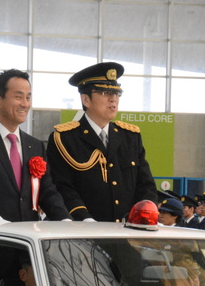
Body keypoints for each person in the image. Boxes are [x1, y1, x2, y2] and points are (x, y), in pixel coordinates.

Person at [0, 69, 70, 256]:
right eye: (18, 97)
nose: (25, 104)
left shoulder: (35, 145)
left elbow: (47, 191)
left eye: (28, 97)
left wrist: (65, 220)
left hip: (27, 249)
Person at [47, 62, 157, 221]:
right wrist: (84, 218)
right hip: (83, 231)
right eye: (105, 93)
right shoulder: (65, 138)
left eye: (117, 93)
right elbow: (62, 186)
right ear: (86, 99)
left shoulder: (130, 137)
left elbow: (146, 184)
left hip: (127, 230)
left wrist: (144, 213)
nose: (113, 99)